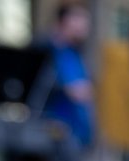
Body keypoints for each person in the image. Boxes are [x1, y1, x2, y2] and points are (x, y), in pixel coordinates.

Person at [42, 2, 95, 150]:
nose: (84, 25)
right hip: (55, 133)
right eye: (78, 18)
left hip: (78, 134)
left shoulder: (75, 54)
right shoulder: (47, 49)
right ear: (63, 21)